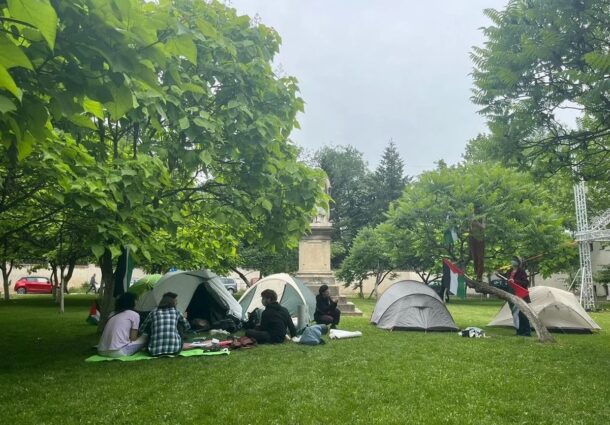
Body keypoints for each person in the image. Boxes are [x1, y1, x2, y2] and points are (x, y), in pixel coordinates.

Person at [139, 292, 190, 356]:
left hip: (153, 352)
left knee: (151, 326)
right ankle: (175, 341)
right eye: (175, 301)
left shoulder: (153, 313)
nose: (177, 302)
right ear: (172, 303)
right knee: (179, 324)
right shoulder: (176, 313)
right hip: (175, 350)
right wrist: (184, 318)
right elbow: (187, 326)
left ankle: (154, 343)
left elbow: (142, 329)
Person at [97, 293, 147, 357]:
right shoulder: (134, 315)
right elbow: (133, 338)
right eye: (136, 300)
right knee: (145, 336)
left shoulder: (112, 313)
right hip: (119, 352)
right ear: (132, 302)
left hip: (101, 351)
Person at [506, 256, 531, 337]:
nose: (513, 261)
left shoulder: (521, 271)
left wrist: (515, 281)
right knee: (515, 314)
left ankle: (526, 332)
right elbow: (507, 282)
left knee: (523, 314)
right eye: (512, 260)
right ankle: (519, 331)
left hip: (521, 295)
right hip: (512, 295)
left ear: (518, 262)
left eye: (515, 260)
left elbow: (525, 283)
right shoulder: (509, 271)